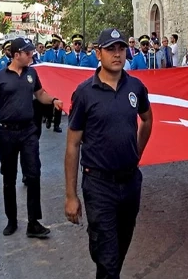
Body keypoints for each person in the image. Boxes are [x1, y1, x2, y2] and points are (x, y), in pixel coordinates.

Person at [65, 28, 153, 279]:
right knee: (107, 257)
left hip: (130, 183)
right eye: (110, 49)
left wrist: (137, 152)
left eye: (121, 49)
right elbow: (72, 145)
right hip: (98, 184)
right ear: (98, 53)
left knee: (120, 247)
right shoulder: (84, 93)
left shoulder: (136, 87)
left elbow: (147, 120)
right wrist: (71, 195)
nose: (117, 54)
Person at [0, 37, 63, 238]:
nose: (31, 56)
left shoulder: (32, 73)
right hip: (7, 132)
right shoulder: (0, 76)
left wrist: (52, 100)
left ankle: (34, 222)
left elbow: (40, 94)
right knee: (9, 177)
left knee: (34, 174)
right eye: (27, 53)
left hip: (28, 131)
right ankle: (11, 220)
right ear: (16, 54)